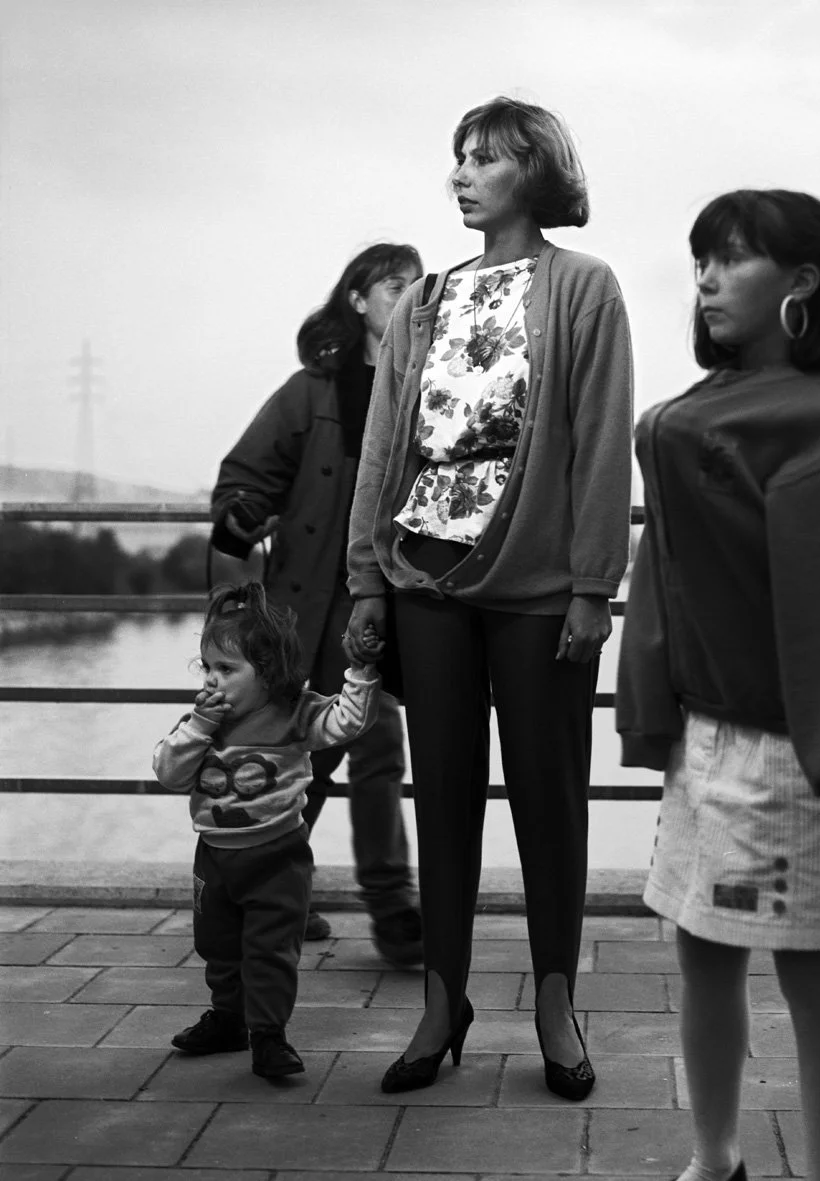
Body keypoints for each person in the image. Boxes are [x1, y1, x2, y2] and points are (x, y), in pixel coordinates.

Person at [344, 96, 634, 1098]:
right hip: (424, 574)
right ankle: (442, 1000)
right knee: (446, 798)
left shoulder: (583, 288)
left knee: (549, 801)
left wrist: (595, 585)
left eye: (485, 158)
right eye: (456, 157)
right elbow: (385, 442)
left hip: (542, 588)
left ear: (537, 172)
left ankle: (555, 1001)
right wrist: (365, 577)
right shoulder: (424, 299)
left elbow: (600, 443)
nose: (460, 174)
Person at [616, 190, 820, 1181]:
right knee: (699, 951)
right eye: (699, 258)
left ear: (802, 282)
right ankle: (714, 1157)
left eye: (730, 258)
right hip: (704, 736)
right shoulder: (693, 414)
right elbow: (660, 576)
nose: (703, 277)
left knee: (811, 971)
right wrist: (648, 713)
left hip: (793, 753)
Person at [210, 243, 425, 965]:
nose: (409, 292)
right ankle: (275, 896)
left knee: (375, 748)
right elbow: (246, 475)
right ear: (359, 300)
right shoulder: (311, 390)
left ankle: (393, 910)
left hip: (381, 603)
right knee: (301, 759)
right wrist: (242, 510)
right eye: (394, 283)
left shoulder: (430, 384)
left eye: (415, 284)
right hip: (301, 605)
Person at [153, 581, 382, 1079]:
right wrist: (197, 727)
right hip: (214, 857)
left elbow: (347, 722)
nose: (213, 680)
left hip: (278, 857)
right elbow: (168, 773)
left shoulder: (295, 715)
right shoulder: (200, 725)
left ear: (268, 674)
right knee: (218, 945)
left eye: (227, 669)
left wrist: (361, 673)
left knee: (270, 950)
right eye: (208, 667)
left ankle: (268, 1035)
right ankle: (228, 1018)